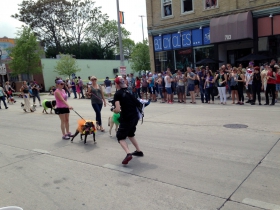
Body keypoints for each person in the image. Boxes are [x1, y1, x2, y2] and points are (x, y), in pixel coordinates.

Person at [113, 77, 144, 165]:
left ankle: (128, 153)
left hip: (127, 118)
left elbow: (118, 110)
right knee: (130, 134)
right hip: (135, 117)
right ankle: (138, 151)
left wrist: (114, 109)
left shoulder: (117, 94)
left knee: (120, 136)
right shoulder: (128, 92)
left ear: (117, 84)